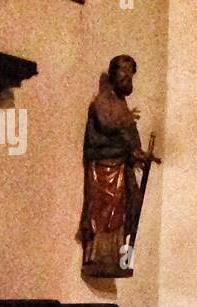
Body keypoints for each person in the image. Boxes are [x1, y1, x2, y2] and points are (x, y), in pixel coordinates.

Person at [79, 55, 159, 273]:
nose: (127, 75)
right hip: (105, 169)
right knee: (104, 214)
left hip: (122, 169)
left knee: (128, 211)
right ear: (113, 73)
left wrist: (139, 155)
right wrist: (125, 121)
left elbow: (129, 140)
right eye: (123, 70)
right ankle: (96, 257)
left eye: (131, 72)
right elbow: (106, 125)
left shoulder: (123, 105)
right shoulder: (102, 101)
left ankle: (121, 260)